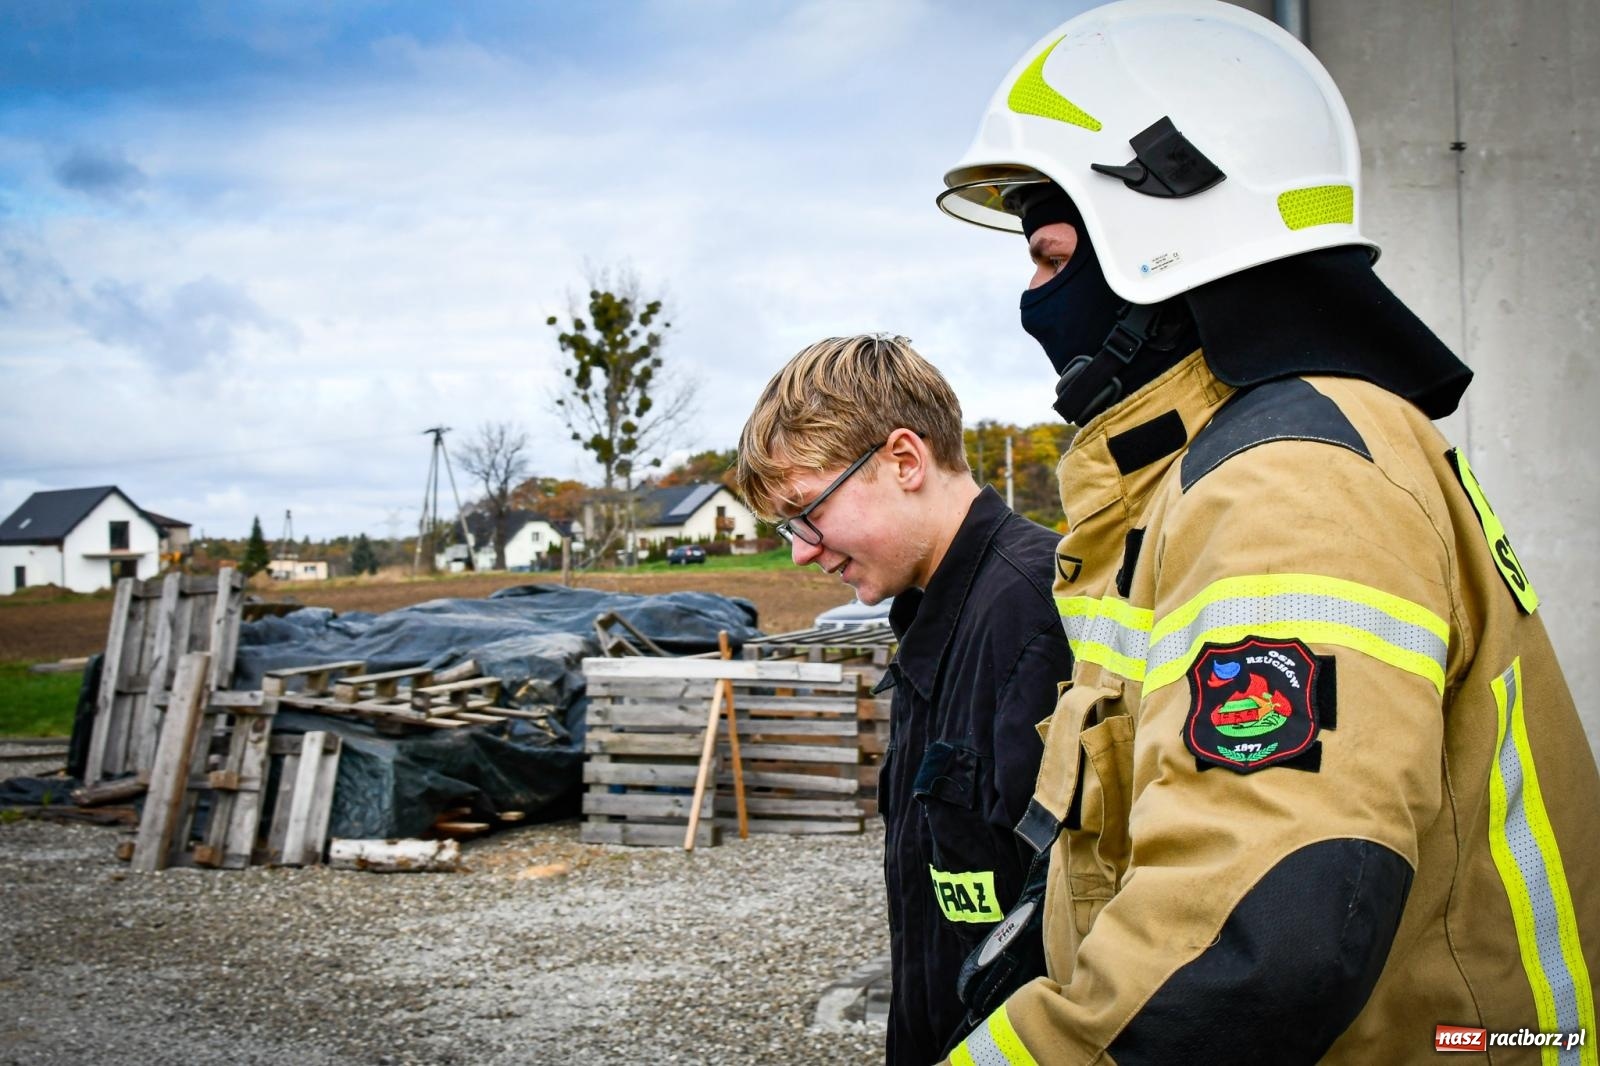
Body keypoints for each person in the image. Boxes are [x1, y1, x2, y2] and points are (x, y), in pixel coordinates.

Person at [928, 2, 1600, 1062]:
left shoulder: (1287, 481)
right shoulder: (1246, 463)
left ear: (1161, 242)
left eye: (1053, 255)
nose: (1030, 299)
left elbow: (1259, 933)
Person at [734, 335, 1074, 1063]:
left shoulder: (1037, 618)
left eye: (806, 510)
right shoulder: (936, 618)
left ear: (905, 461)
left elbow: (1082, 935)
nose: (799, 550)